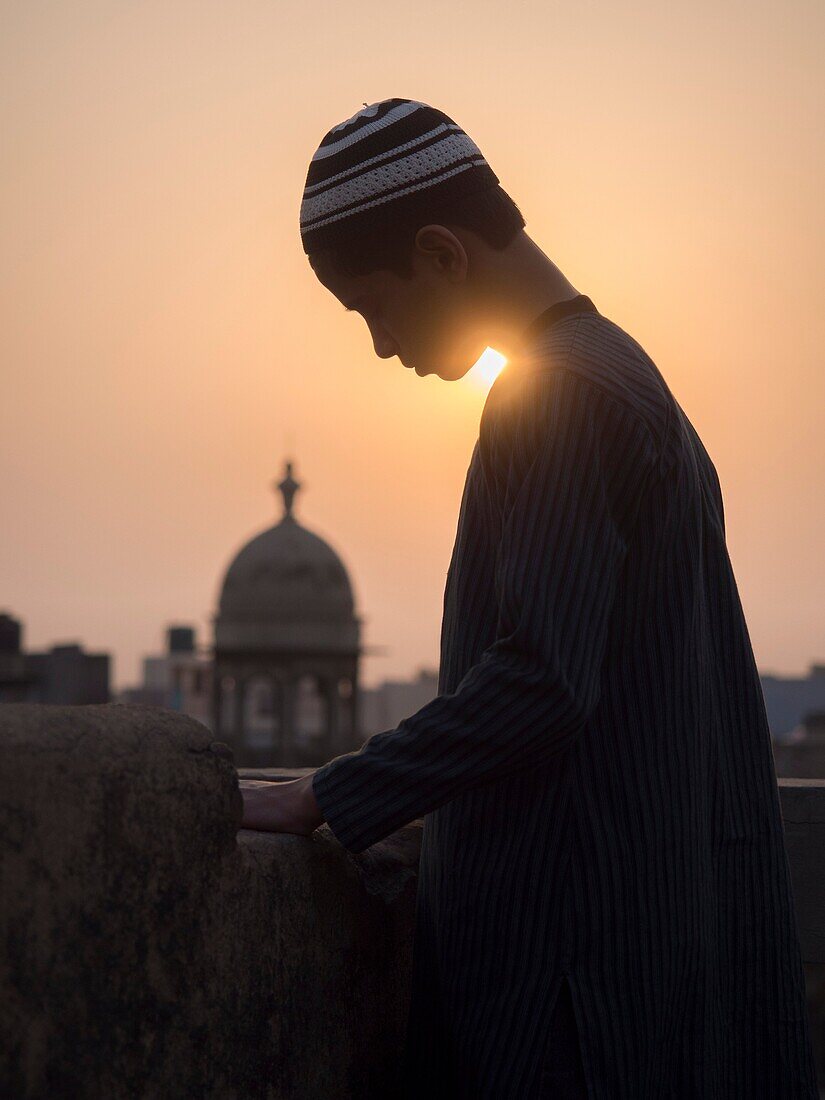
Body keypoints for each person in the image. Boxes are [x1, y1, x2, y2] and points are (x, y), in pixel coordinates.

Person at [239, 98, 819, 1099]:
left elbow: (542, 682)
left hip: (572, 984)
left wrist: (324, 794)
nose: (381, 344)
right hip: (647, 956)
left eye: (372, 306)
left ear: (441, 253)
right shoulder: (628, 375)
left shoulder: (555, 397)